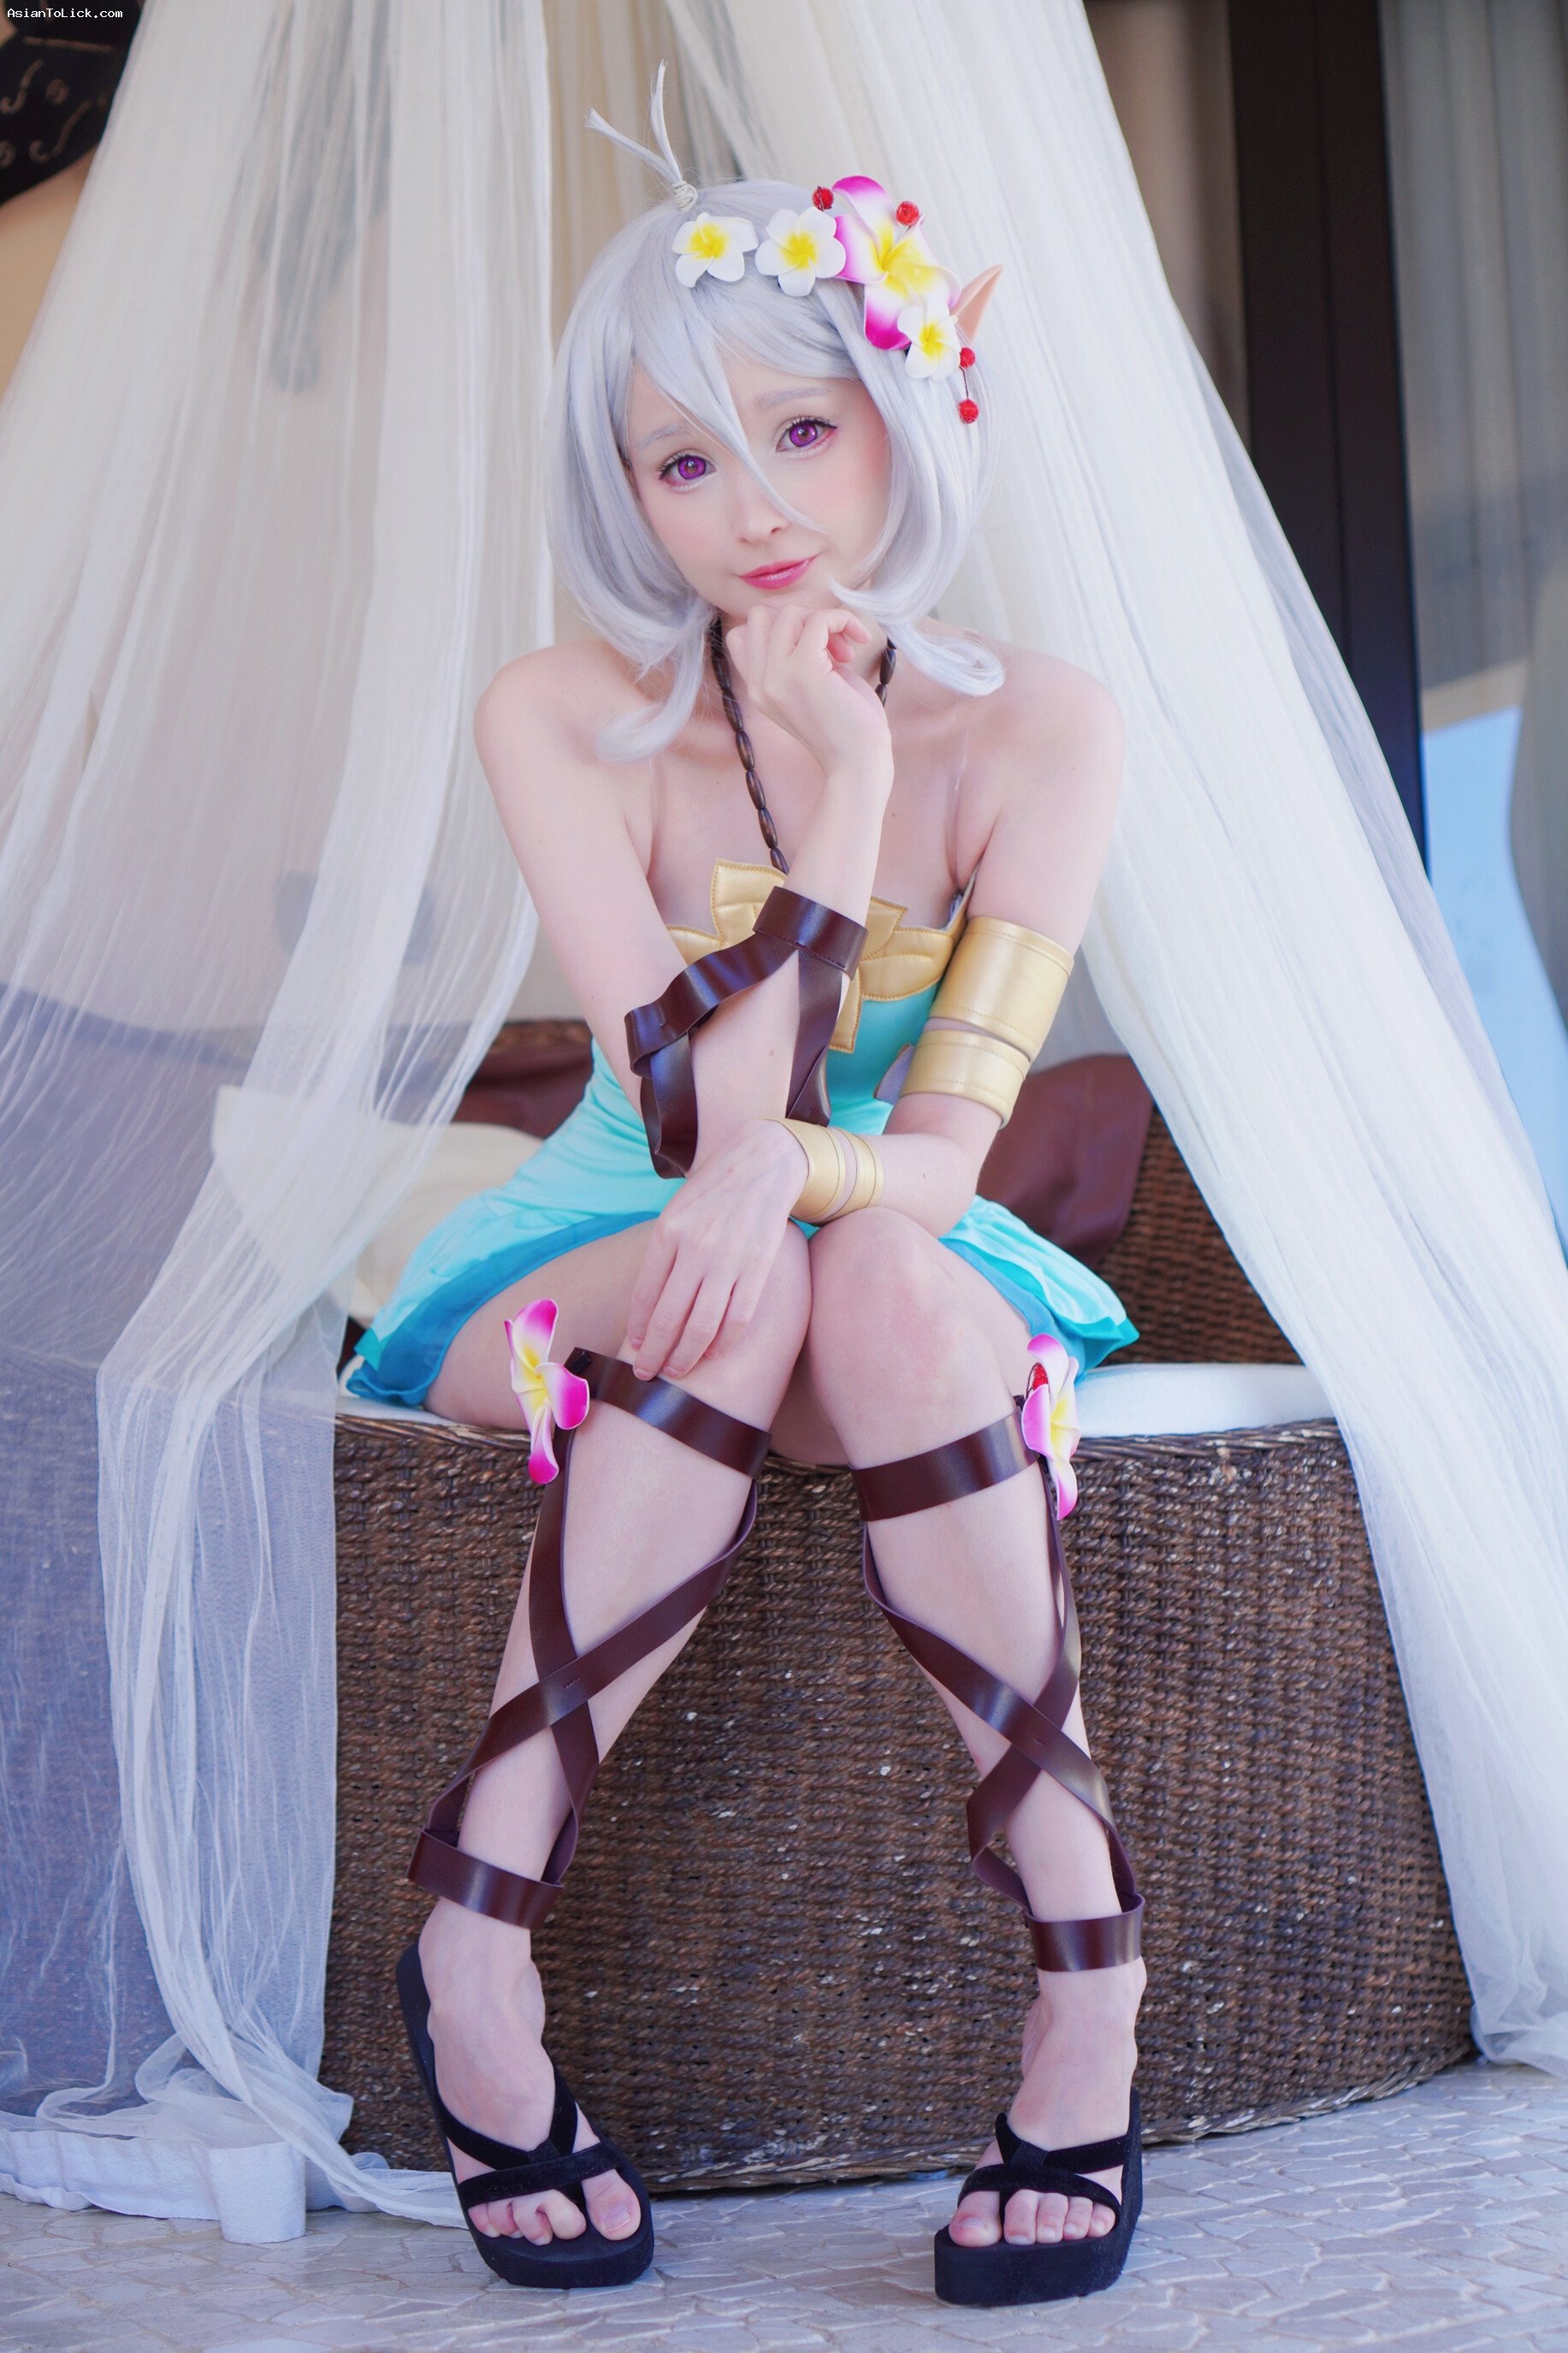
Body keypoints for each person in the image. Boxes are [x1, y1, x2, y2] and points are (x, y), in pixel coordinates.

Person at [349, 98, 1146, 2309]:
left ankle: (1089, 1985)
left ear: (903, 416)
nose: (757, 508)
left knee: (859, 1265)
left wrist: (869, 773)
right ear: (624, 493)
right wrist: (836, 838)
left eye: (804, 431)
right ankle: (476, 1951)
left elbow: (940, 1156)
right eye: (684, 462)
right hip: (603, 1246)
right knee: (763, 1282)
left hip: (882, 1239)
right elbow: (688, 1111)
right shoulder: (560, 716)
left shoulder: (1043, 729)